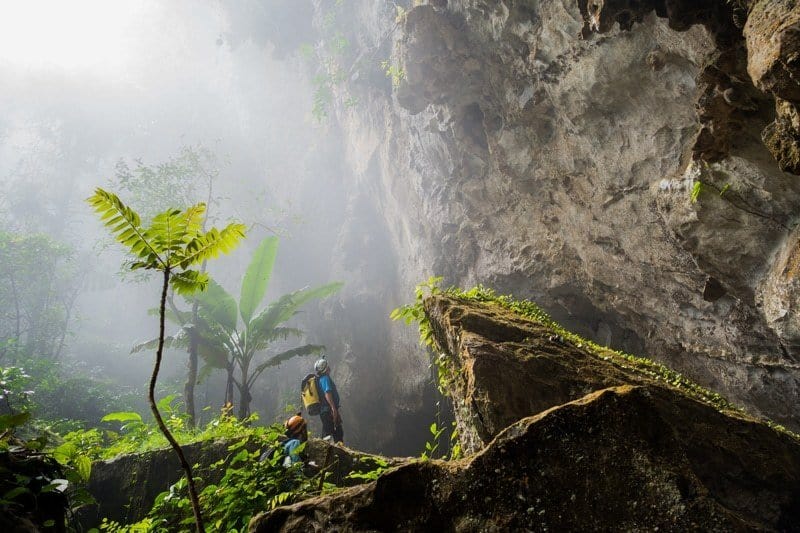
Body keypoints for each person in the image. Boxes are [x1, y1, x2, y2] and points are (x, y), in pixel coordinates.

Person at [314, 355, 343, 443]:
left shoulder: (321, 379)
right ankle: (325, 450)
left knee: (336, 430)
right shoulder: (325, 379)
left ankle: (339, 449)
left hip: (325, 411)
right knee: (329, 433)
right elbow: (327, 393)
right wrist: (333, 408)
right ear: (326, 368)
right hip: (328, 410)